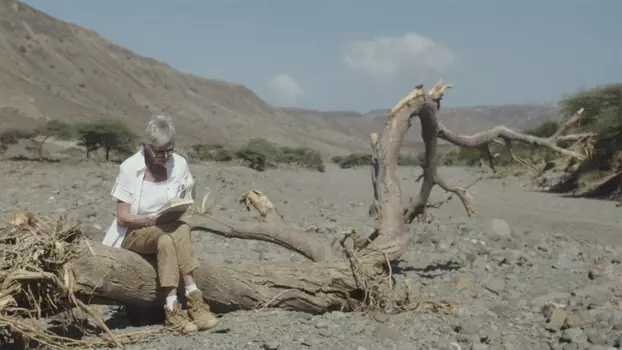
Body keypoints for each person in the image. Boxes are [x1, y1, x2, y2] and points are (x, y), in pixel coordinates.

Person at [101, 115, 218, 334]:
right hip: (135, 231)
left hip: (167, 228)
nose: (165, 156)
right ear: (145, 146)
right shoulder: (129, 168)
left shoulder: (179, 164)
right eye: (159, 151)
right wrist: (149, 219)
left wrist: (182, 204)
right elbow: (122, 217)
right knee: (177, 231)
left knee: (170, 237)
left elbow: (186, 193)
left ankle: (177, 305)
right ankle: (191, 300)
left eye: (169, 150)